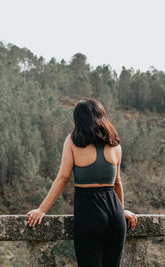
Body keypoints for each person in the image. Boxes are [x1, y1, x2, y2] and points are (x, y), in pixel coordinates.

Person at [26, 97, 137, 267]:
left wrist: (42, 210)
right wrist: (120, 211)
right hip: (115, 215)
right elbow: (117, 183)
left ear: (78, 119)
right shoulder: (115, 144)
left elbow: (63, 177)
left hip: (89, 213)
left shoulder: (73, 141)